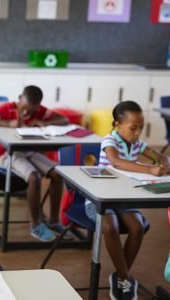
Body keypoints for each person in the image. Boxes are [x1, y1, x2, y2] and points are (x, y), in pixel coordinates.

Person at [86, 100, 169, 300]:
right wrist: (149, 169)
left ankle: (120, 276)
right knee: (110, 227)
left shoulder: (138, 144)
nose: (137, 133)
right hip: (101, 198)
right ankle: (125, 278)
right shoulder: (110, 141)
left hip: (124, 199)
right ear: (117, 125)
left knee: (137, 226)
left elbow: (161, 158)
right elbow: (116, 161)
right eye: (133, 128)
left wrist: (164, 164)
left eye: (141, 128)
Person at [0, 85, 71, 242]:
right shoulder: (8, 108)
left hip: (30, 152)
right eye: (25, 108)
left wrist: (43, 122)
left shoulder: (40, 111)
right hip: (7, 155)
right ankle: (36, 225)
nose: (27, 113)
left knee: (57, 174)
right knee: (34, 177)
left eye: (32, 110)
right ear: (20, 98)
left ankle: (54, 221)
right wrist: (8, 124)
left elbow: (64, 119)